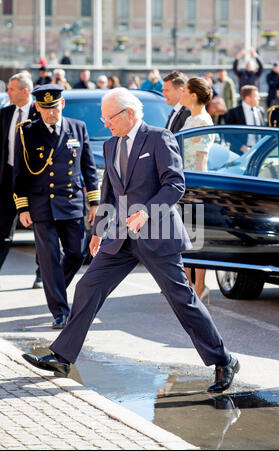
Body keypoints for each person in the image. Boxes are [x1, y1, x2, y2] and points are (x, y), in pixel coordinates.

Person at [22, 87, 240, 394]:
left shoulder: (158, 138)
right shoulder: (111, 145)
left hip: (157, 235)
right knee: (88, 286)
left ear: (129, 114)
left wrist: (146, 214)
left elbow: (175, 184)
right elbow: (110, 191)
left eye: (108, 118)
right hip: (120, 237)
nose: (105, 124)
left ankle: (223, 360)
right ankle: (61, 356)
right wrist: (98, 229)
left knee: (182, 302)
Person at [13, 84, 100, 329]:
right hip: (41, 204)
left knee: (76, 253)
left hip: (71, 201)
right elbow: (19, 174)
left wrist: (94, 201)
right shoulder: (27, 132)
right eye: (46, 108)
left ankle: (55, 290)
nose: (52, 113)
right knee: (50, 258)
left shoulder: (77, 128)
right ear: (38, 107)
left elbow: (89, 168)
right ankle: (61, 311)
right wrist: (23, 207)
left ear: (62, 104)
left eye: (55, 107)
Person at [0, 72, 41, 285]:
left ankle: (41, 273)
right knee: (3, 227)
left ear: (25, 91)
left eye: (11, 89)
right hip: (8, 179)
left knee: (40, 229)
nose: (7, 92)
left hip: (34, 181)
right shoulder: (5, 114)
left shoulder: (40, 112)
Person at [179, 77, 214, 303]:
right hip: (184, 182)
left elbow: (201, 158)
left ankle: (199, 286)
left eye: (185, 90)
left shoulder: (202, 121)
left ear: (193, 95)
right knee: (188, 236)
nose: (181, 93)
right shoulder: (191, 119)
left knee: (196, 237)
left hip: (194, 184)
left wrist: (197, 190)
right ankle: (191, 284)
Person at [224, 85, 266, 154]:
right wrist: (242, 147)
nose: (259, 98)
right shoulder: (234, 112)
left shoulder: (260, 111)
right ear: (247, 98)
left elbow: (264, 131)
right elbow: (227, 134)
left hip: (259, 151)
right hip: (240, 153)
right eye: (256, 96)